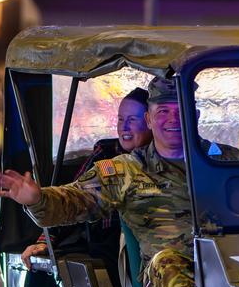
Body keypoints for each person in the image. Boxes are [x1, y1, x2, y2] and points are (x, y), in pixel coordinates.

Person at [0, 77, 239, 287]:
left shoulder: (228, 161)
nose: (173, 119)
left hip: (236, 262)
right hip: (171, 274)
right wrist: (37, 199)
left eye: (182, 110)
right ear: (149, 119)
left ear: (196, 115)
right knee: (167, 266)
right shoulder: (127, 170)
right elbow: (78, 199)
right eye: (163, 111)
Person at [19, 87, 152, 267]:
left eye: (132, 119)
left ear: (150, 122)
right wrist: (44, 240)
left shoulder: (172, 159)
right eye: (121, 119)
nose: (124, 127)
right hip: (109, 249)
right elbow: (76, 198)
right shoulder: (105, 155)